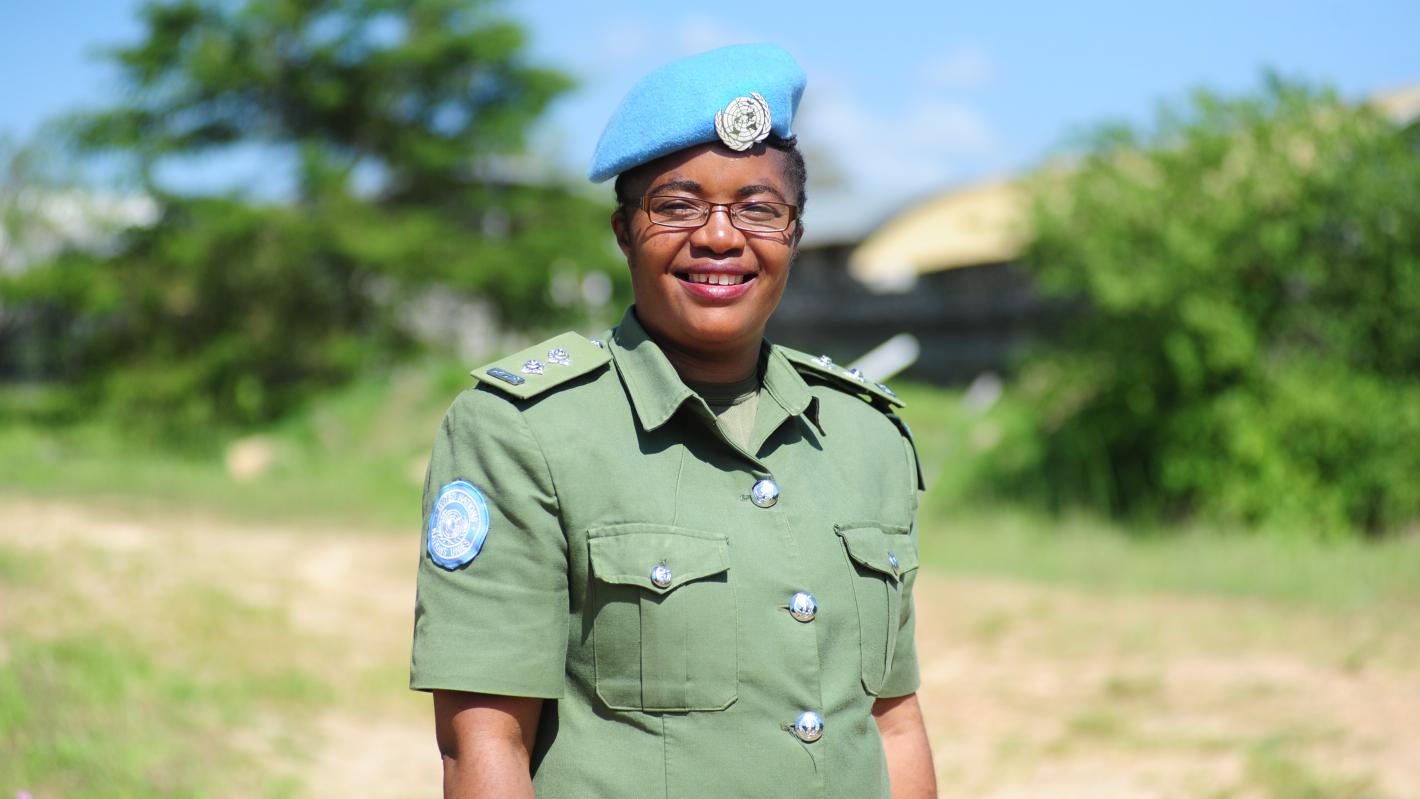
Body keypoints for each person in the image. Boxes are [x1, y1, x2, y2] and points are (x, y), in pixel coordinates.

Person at [410, 43, 936, 798]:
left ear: (794, 233)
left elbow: (893, 723)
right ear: (625, 232)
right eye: (679, 206)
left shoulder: (865, 435)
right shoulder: (524, 433)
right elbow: (484, 742)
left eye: (758, 208)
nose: (720, 236)